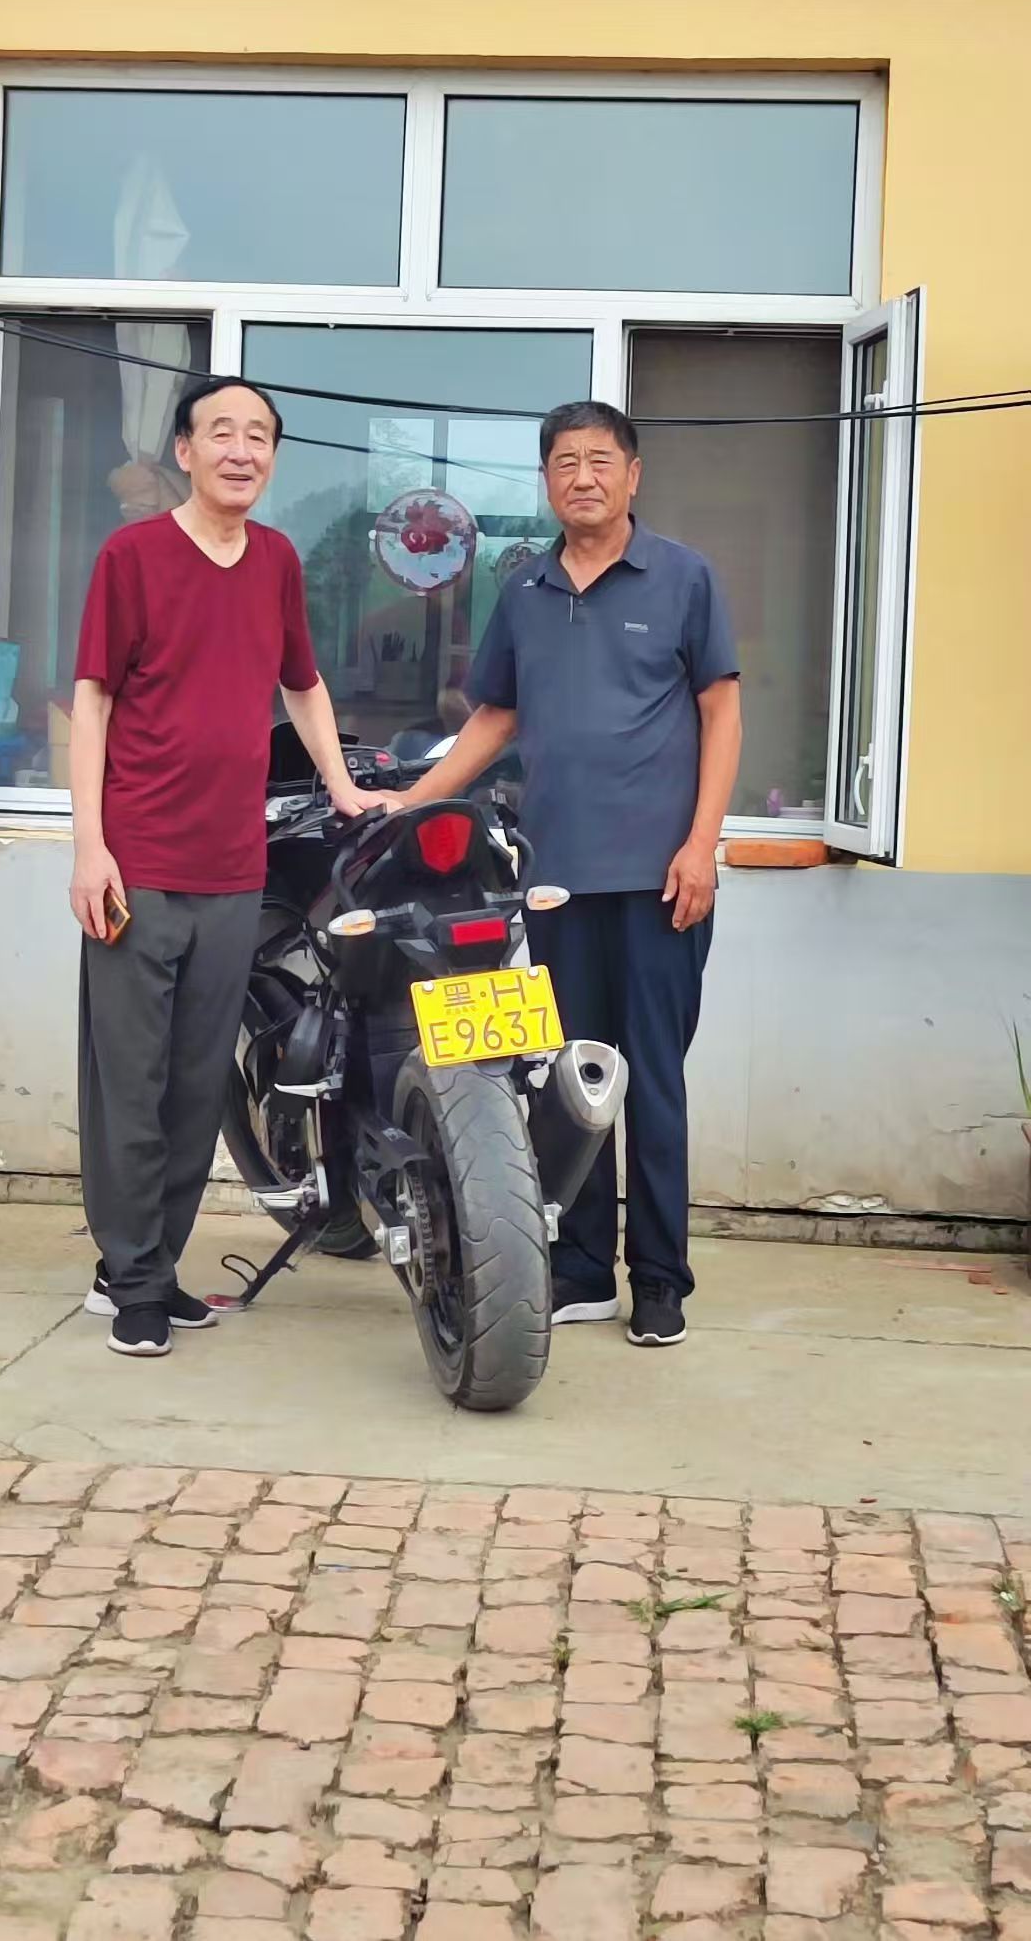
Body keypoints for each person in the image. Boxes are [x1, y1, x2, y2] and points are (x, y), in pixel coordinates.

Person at [396, 400, 741, 1349]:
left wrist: (702, 844)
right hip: (553, 881)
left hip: (661, 881)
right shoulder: (526, 591)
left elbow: (721, 711)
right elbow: (496, 720)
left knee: (652, 1078)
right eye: (564, 462)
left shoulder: (683, 577)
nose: (582, 477)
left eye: (600, 460)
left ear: (633, 474)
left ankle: (660, 1279)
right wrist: (409, 802)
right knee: (570, 1079)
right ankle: (583, 1267)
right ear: (546, 480)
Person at [69, 374, 386, 1360]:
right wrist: (90, 845)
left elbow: (304, 683)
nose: (241, 449)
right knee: (131, 1081)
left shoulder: (277, 559)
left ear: (272, 457)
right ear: (186, 450)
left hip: (234, 867)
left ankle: (149, 1263)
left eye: (259, 435)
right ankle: (132, 1280)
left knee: (198, 1082)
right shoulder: (133, 556)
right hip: (138, 862)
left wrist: (344, 786)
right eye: (222, 432)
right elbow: (93, 700)